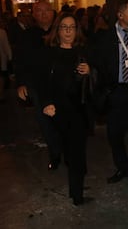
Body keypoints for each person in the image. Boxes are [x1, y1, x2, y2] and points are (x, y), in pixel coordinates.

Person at [91, 0, 128, 191]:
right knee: (115, 134)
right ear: (120, 15)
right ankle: (122, 167)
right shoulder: (104, 37)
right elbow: (97, 62)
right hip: (114, 91)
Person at [39, 12, 92, 206]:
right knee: (68, 152)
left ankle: (76, 194)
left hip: (79, 110)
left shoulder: (84, 51)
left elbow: (98, 77)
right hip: (57, 110)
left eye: (72, 27)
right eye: (64, 27)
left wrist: (90, 71)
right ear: (58, 30)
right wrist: (46, 103)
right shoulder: (49, 53)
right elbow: (41, 82)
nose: (68, 31)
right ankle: (75, 181)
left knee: (76, 152)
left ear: (77, 30)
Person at [14, 1, 61, 170]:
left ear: (53, 12)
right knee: (45, 121)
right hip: (38, 85)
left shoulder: (61, 31)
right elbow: (19, 61)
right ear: (33, 15)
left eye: (46, 10)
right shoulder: (27, 36)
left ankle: (67, 151)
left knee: (64, 119)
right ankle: (54, 154)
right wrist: (21, 84)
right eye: (39, 11)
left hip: (60, 84)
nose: (43, 14)